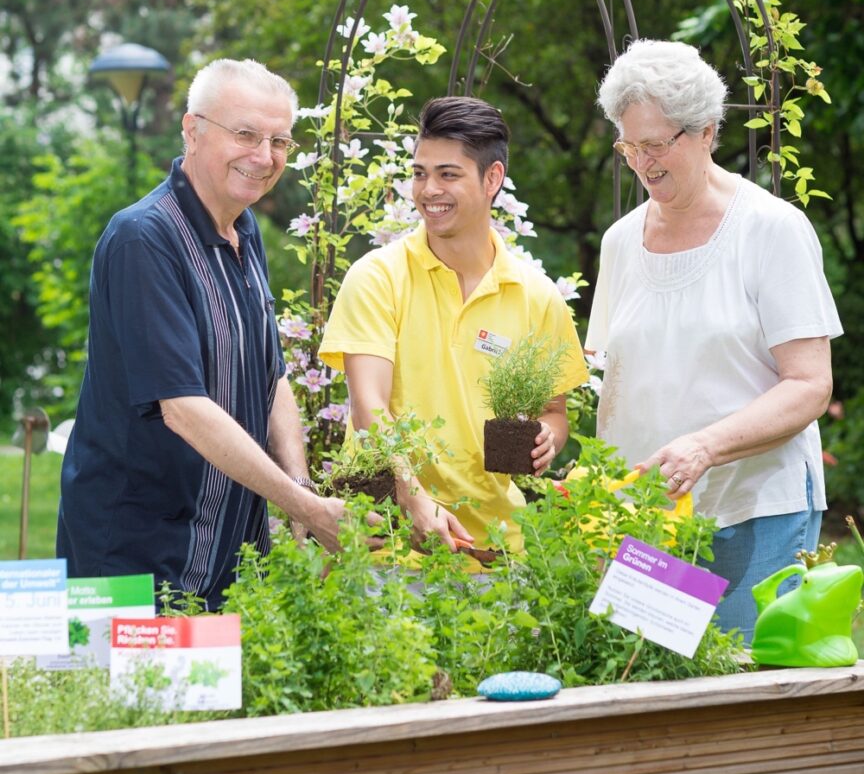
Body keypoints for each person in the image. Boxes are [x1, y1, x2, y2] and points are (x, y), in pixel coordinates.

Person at [57, 58, 346, 608]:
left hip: (226, 548)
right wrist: (306, 509)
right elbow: (183, 407)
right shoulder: (143, 239)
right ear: (192, 130)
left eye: (279, 140)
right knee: (126, 695)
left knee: (225, 696)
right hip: (136, 553)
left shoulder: (244, 227)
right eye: (245, 134)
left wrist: (299, 488)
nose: (264, 157)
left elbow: (271, 375)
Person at [586, 39, 842, 640]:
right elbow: (610, 377)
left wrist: (704, 445)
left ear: (706, 131)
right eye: (629, 145)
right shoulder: (620, 242)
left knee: (745, 697)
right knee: (651, 698)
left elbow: (809, 384)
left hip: (752, 511)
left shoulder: (771, 230)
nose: (642, 163)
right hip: (651, 522)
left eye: (656, 144)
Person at [319, 95, 589, 555]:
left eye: (448, 175)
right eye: (420, 173)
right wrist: (413, 497)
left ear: (492, 179)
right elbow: (369, 407)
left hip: (495, 549)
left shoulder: (537, 296)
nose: (428, 191)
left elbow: (553, 412)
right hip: (387, 540)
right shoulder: (378, 277)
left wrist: (547, 438)